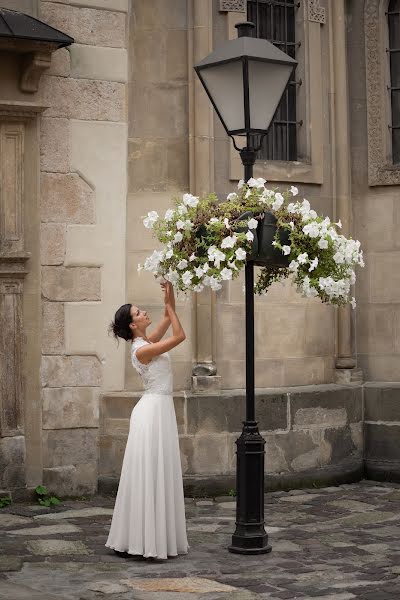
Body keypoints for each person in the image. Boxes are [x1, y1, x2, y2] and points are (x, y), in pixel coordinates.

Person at [105, 281, 189, 560]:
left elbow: (168, 318)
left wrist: (170, 293)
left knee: (157, 471)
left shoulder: (147, 342)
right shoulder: (142, 350)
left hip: (160, 410)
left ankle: (151, 537)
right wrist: (168, 308)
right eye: (139, 313)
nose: (144, 313)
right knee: (147, 473)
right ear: (132, 325)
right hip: (151, 412)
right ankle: (140, 539)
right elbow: (179, 336)